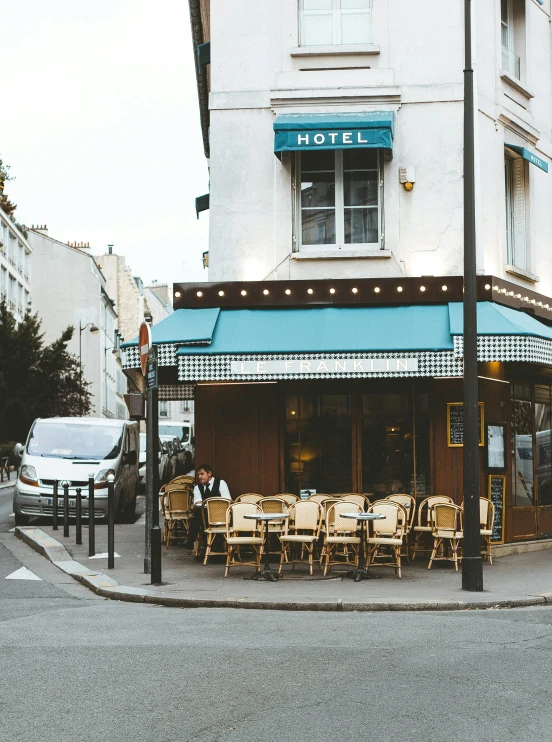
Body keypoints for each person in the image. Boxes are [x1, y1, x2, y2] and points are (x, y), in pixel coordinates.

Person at [184, 464, 231, 551]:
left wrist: (209, 504)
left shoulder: (221, 483)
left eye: (202, 474)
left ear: (209, 473)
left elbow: (227, 500)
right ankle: (203, 545)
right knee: (197, 515)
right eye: (198, 475)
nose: (199, 477)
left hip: (221, 515)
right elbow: (198, 502)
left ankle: (192, 541)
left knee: (197, 517)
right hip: (205, 516)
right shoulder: (197, 488)